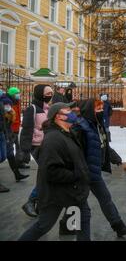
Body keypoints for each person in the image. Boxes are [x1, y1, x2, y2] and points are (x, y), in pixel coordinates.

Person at [60, 99, 126, 237]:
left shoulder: (97, 125)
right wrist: (78, 171)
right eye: (98, 109)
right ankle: (66, 226)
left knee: (105, 198)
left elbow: (102, 145)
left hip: (94, 172)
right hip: (82, 173)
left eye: (102, 108)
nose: (101, 111)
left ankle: (119, 227)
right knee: (79, 203)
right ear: (89, 110)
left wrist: (115, 158)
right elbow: (75, 151)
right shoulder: (80, 127)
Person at [18, 103, 91, 241]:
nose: (72, 113)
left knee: (82, 219)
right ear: (58, 116)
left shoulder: (68, 134)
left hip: (72, 193)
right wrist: (76, 175)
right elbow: (51, 171)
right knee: (43, 225)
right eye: (68, 110)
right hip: (57, 194)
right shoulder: (53, 139)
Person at [20, 85, 54, 217]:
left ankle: (38, 204)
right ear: (40, 93)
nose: (50, 95)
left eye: (51, 93)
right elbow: (26, 130)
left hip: (47, 145)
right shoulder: (32, 109)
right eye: (48, 93)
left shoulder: (48, 109)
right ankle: (31, 201)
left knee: (47, 174)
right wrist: (25, 151)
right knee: (48, 173)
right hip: (37, 146)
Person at [0, 94, 29, 182]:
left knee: (10, 154)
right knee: (3, 156)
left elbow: (8, 123)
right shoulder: (4, 107)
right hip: (4, 134)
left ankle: (17, 174)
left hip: (7, 133)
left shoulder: (8, 110)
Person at [7, 87, 24, 169]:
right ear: (12, 95)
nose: (18, 94)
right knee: (10, 147)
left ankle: (19, 162)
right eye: (17, 93)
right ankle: (15, 164)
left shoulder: (17, 102)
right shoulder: (9, 104)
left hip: (17, 127)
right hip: (11, 128)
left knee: (18, 146)